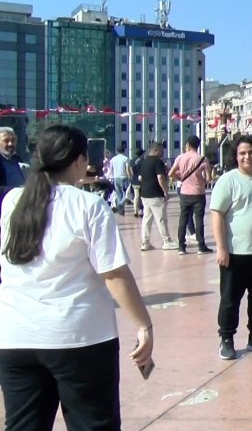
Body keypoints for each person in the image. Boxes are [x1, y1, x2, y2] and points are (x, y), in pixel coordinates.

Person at [0, 125, 154, 429]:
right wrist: (144, 325)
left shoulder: (12, 201)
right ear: (79, 160)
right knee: (92, 423)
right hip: (79, 339)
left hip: (16, 337)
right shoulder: (89, 205)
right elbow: (114, 275)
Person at [211, 135, 252, 359]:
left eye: (250, 152)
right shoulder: (228, 180)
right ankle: (227, 338)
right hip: (236, 252)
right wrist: (221, 248)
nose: (247, 157)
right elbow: (217, 215)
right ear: (235, 156)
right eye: (242, 153)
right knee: (231, 298)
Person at [169, 136, 212, 255]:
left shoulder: (180, 157)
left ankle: (181, 247)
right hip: (199, 193)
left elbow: (171, 173)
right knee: (199, 220)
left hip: (184, 193)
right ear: (198, 145)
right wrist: (202, 180)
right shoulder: (203, 159)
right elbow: (209, 179)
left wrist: (180, 178)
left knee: (183, 219)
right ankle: (201, 246)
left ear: (187, 144)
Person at [139, 143, 178, 252]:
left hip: (145, 194)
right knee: (161, 218)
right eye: (161, 150)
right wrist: (166, 191)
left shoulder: (144, 161)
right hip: (156, 194)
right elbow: (160, 177)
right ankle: (167, 241)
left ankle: (145, 242)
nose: (163, 152)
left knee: (146, 220)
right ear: (156, 150)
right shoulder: (158, 162)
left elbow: (140, 178)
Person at [0, 127, 26, 203]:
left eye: (13, 140)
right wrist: (16, 191)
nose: (10, 144)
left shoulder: (16, 159)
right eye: (6, 141)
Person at [107, 146, 130, 215]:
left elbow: (111, 169)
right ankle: (120, 204)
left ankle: (121, 210)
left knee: (119, 194)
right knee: (126, 194)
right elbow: (127, 169)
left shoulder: (113, 159)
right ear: (124, 151)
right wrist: (129, 177)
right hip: (124, 177)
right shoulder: (125, 158)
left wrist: (110, 177)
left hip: (115, 178)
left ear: (117, 151)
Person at [127, 148, 145, 217]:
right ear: (142, 154)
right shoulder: (142, 161)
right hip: (142, 181)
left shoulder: (132, 161)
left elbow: (129, 169)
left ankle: (135, 211)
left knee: (136, 196)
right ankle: (141, 211)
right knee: (142, 197)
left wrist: (131, 176)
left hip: (134, 180)